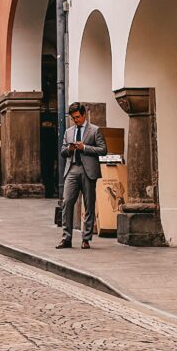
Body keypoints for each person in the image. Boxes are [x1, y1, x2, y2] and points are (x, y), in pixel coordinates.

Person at [57, 102, 107, 250]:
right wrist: (70, 149)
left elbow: (103, 150)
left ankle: (86, 238)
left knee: (89, 204)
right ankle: (66, 238)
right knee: (67, 202)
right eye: (73, 118)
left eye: (78, 117)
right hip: (72, 169)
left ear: (84, 115)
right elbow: (62, 152)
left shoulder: (95, 130)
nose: (76, 120)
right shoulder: (69, 132)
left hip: (88, 171)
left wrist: (84, 147)